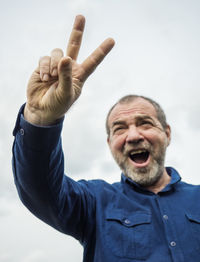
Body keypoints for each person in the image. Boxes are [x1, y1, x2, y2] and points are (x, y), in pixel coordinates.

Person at [12, 15, 200, 262]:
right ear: (110, 144)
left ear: (166, 133)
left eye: (144, 123)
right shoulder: (94, 201)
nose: (133, 136)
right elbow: (39, 189)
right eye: (119, 129)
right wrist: (39, 118)